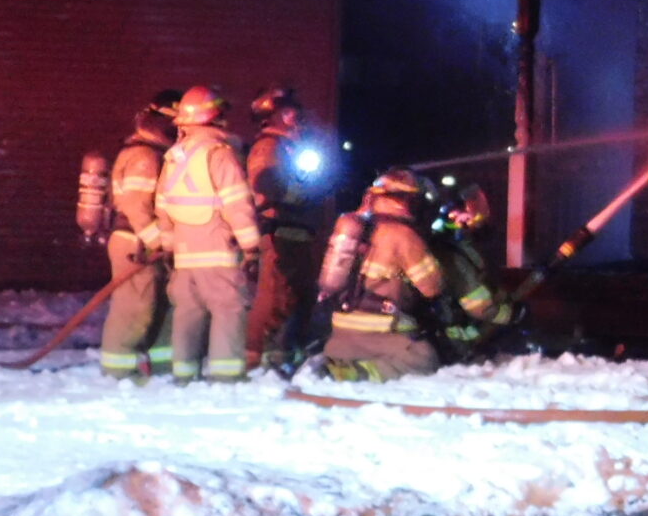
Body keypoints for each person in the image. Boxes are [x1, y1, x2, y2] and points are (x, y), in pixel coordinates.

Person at [318, 168, 497, 380]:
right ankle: (357, 374)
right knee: (424, 359)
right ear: (407, 201)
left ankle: (341, 362)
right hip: (380, 330)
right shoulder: (404, 235)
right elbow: (433, 288)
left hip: (340, 331)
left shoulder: (357, 228)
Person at [152, 85, 263, 383]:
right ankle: (226, 376)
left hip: (186, 256)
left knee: (187, 313)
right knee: (228, 310)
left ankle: (184, 375)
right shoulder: (219, 154)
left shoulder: (173, 159)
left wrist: (169, 247)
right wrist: (251, 246)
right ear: (216, 117)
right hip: (219, 252)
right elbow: (237, 204)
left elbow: (162, 208)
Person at [244, 84, 325, 367]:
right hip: (279, 231)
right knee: (275, 295)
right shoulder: (268, 146)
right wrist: (303, 195)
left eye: (295, 111)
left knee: (302, 293)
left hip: (297, 231)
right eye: (289, 112)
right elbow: (266, 189)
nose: (296, 117)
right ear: (272, 116)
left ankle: (286, 350)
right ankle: (256, 355)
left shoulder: (291, 145)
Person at [98, 104, 177, 380]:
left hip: (142, 243)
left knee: (154, 306)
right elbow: (136, 207)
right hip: (136, 244)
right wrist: (158, 242)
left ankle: (159, 367)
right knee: (134, 309)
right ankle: (119, 371)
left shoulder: (154, 153)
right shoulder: (145, 156)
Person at [431, 181, 510, 359]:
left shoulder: (472, 244)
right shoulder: (449, 250)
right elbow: (473, 295)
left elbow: (486, 280)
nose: (472, 216)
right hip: (454, 340)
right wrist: (509, 315)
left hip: (470, 330)